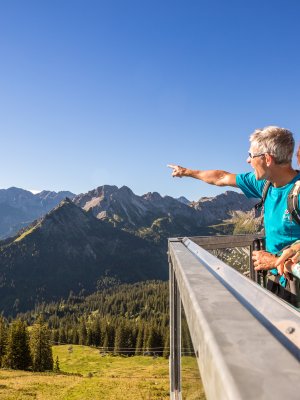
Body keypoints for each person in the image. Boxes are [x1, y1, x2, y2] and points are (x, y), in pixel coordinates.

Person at [168, 126, 300, 305]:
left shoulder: (297, 193)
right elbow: (221, 177)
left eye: (251, 155)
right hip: (277, 281)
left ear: (267, 159)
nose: (247, 160)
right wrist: (187, 172)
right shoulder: (264, 184)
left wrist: (274, 260)